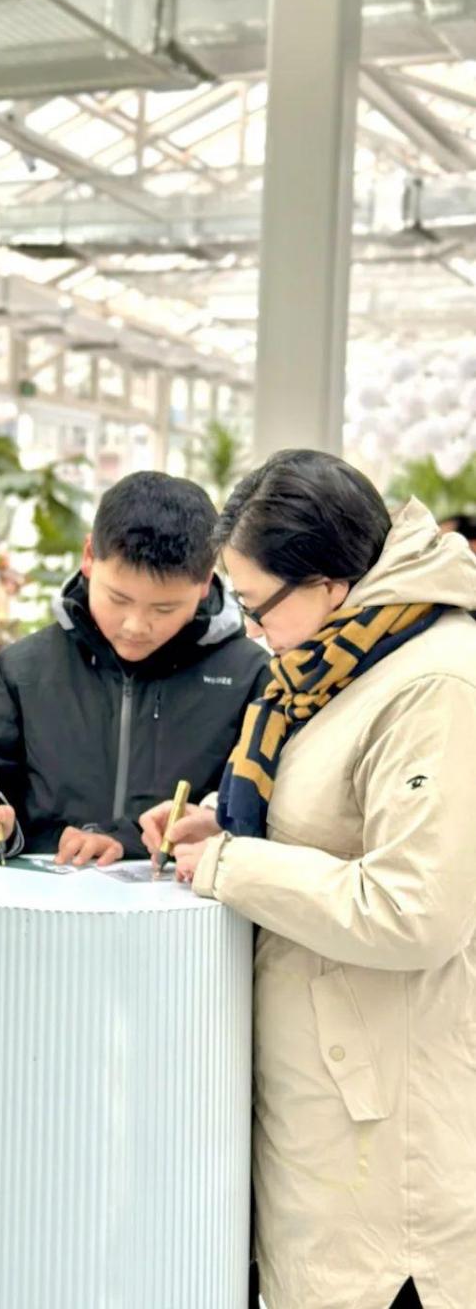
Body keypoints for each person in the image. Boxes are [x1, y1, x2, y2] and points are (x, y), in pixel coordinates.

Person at [140, 450, 476, 1309]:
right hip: (322, 1107)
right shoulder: (353, 654)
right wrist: (228, 818)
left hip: (380, 1137)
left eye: (256, 607)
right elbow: (339, 816)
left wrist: (231, 863)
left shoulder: (435, 684)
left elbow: (415, 911)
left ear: (328, 584)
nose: (251, 631)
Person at [0, 471, 269, 870]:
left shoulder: (250, 678)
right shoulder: (24, 670)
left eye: (163, 609)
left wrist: (136, 839)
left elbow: (273, 825)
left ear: (205, 582)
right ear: (88, 558)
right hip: (44, 922)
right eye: (118, 598)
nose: (135, 625)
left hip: (185, 925)